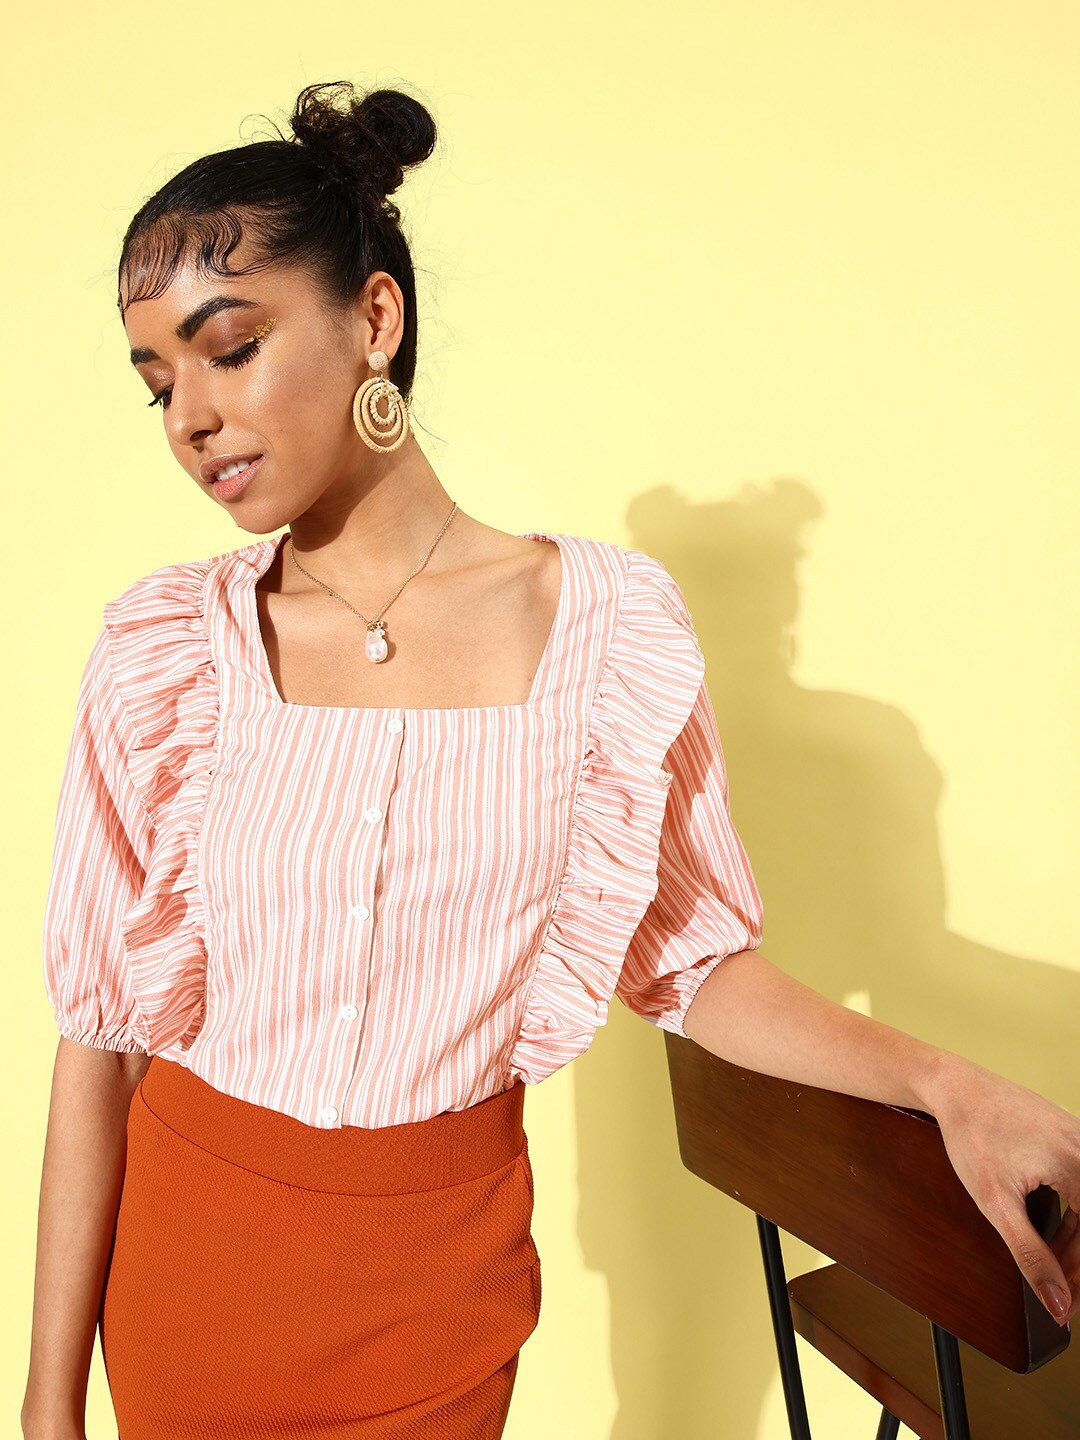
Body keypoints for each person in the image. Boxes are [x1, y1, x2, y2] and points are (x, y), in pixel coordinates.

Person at [21, 77, 1079, 1440]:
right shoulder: (165, 653)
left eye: (230, 347)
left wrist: (951, 1085)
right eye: (158, 382)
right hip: (193, 1274)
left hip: (439, 1289)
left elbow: (691, 962)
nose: (190, 416)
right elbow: (101, 1043)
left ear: (375, 322)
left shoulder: (607, 630)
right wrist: (47, 1404)